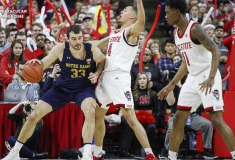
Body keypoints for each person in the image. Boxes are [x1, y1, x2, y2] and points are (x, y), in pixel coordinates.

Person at [2, 25, 106, 160]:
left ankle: (87, 154)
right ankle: (15, 152)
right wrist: (36, 64)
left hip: (83, 89)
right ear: (67, 39)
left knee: (91, 111)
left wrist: (97, 73)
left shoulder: (91, 49)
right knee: (33, 116)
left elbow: (102, 61)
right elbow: (44, 63)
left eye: (80, 38)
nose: (78, 42)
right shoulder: (60, 49)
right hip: (62, 89)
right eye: (74, 39)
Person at [157, 0, 235, 160]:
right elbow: (186, 61)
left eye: (167, 12)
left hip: (207, 74)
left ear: (177, 12)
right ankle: (171, 157)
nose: (165, 16)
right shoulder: (176, 33)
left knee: (216, 119)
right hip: (192, 78)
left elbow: (215, 50)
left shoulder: (195, 28)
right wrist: (171, 85)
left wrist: (212, 77)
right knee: (178, 118)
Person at [94, 0, 158, 160]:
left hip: (119, 77)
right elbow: (94, 45)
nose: (121, 12)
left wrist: (139, 3)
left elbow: (141, 22)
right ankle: (97, 153)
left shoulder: (131, 32)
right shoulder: (115, 33)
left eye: (125, 10)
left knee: (130, 118)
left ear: (131, 16)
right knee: (98, 116)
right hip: (105, 77)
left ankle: (150, 154)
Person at [159, 54, 217, 159]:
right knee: (172, 127)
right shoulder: (172, 84)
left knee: (207, 124)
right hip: (176, 115)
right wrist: (170, 83)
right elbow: (171, 103)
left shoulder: (193, 83)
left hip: (192, 116)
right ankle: (165, 150)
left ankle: (207, 150)